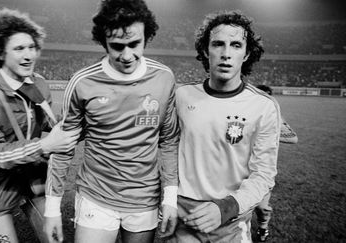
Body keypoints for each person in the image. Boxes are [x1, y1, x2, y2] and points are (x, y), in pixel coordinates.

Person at [43, 0, 180, 242]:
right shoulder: (82, 82)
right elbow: (63, 147)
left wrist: (170, 199)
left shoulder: (164, 78)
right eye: (117, 46)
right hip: (95, 196)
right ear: (103, 41)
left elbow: (168, 140)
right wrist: (52, 209)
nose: (127, 56)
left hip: (144, 199)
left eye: (135, 44)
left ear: (147, 36)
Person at [0, 8, 80, 243]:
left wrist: (76, 122)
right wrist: (45, 145)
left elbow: (47, 123)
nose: (29, 55)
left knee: (55, 240)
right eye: (19, 48)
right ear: (1, 53)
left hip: (31, 175)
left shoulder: (40, 84)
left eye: (32, 47)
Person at [169, 10, 281, 242]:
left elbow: (264, 174)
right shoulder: (182, 96)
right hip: (184, 218)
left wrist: (225, 208)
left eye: (236, 45)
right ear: (204, 50)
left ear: (247, 53)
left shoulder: (263, 106)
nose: (226, 54)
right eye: (218, 44)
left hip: (231, 220)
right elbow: (164, 148)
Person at [254, 84, 298, 242]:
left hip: (262, 169)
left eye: (267, 97)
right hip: (239, 168)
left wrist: (267, 134)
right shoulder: (244, 112)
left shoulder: (275, 116)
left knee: (261, 207)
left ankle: (263, 228)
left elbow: (293, 138)